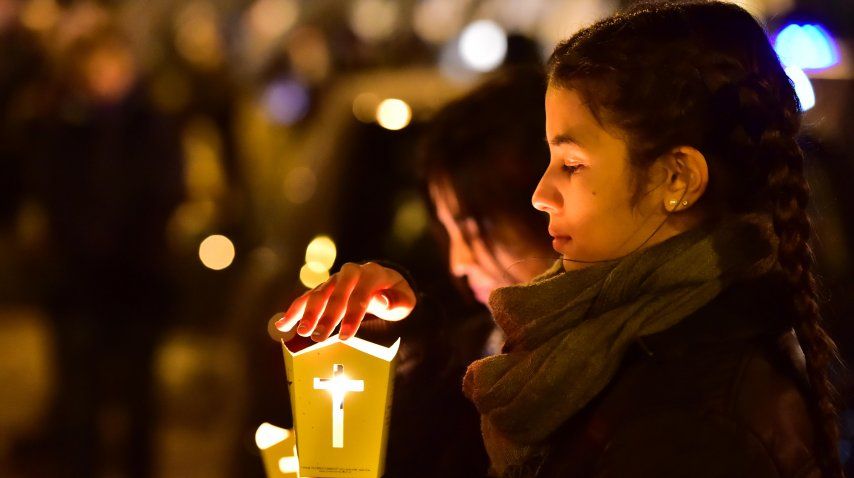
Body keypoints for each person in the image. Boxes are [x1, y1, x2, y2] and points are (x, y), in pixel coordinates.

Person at [278, 2, 844, 476]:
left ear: (677, 179)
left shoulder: (694, 422)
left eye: (571, 164)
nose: (541, 194)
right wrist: (396, 333)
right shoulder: (598, 342)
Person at [276, 66, 554, 477]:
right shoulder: (471, 351)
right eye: (446, 231)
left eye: (477, 229)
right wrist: (389, 335)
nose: (458, 263)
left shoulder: (613, 370)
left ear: (548, 207)